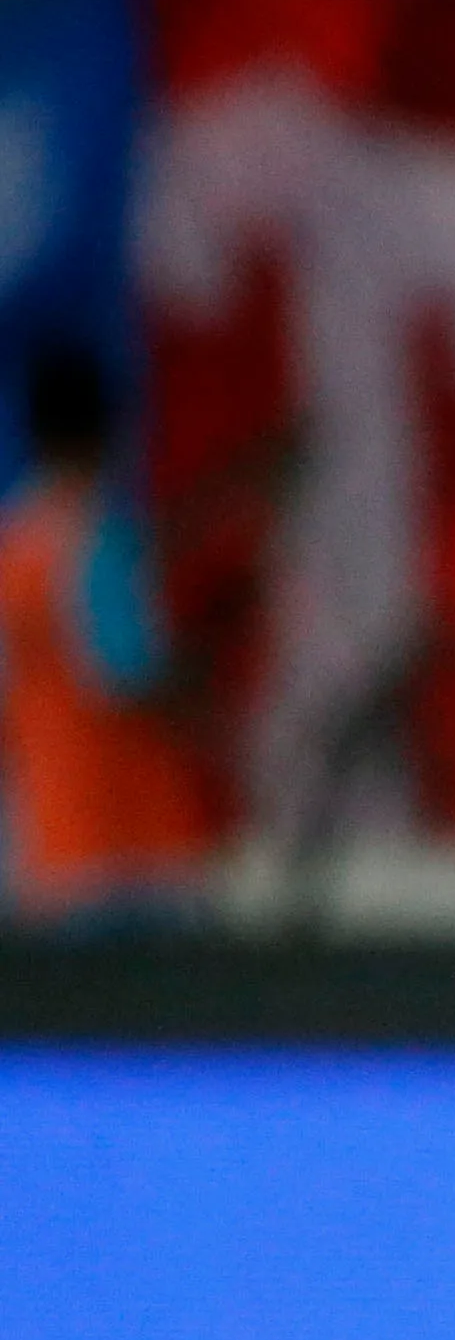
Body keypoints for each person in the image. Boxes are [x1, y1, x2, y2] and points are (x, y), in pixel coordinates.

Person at [0, 344, 215, 930]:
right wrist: (202, 675)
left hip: (46, 847)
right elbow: (128, 675)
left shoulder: (14, 548)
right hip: (128, 847)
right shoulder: (99, 543)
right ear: (108, 432)